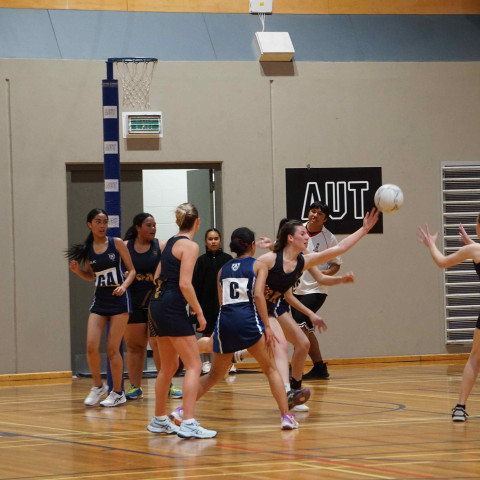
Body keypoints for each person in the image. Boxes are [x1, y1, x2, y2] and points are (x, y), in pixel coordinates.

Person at [170, 227, 299, 430]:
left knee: (213, 375)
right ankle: (286, 416)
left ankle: (180, 410)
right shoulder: (259, 266)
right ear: (253, 246)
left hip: (226, 322)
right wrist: (267, 326)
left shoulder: (223, 269)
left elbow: (223, 303)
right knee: (271, 369)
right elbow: (257, 296)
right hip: (248, 322)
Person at [255, 209, 379, 408]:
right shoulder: (268, 260)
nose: (307, 237)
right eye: (302, 234)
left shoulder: (304, 260)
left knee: (302, 344)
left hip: (275, 307)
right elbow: (245, 277)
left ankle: (294, 392)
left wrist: (364, 230)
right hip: (254, 307)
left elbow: (337, 250)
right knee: (232, 350)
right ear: (290, 238)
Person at [147, 203, 216, 439]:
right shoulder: (190, 246)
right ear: (197, 222)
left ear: (178, 222)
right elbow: (185, 284)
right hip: (172, 305)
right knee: (194, 365)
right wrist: (199, 311)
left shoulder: (168, 244)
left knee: (168, 367)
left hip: (156, 303)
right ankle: (188, 422)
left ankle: (159, 419)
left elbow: (157, 276)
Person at [66, 208, 136, 407]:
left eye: (105, 221)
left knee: (113, 349)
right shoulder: (88, 249)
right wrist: (77, 271)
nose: (102, 225)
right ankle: (98, 386)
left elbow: (131, 270)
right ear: (90, 224)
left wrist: (124, 286)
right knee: (91, 346)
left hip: (119, 299)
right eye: (98, 221)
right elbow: (91, 276)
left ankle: (117, 392)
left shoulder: (117, 243)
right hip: (100, 300)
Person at [418, 220, 480, 422]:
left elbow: (442, 262)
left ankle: (460, 407)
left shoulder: (474, 250)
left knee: (475, 358)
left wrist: (431, 244)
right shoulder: (473, 249)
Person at [123, 213, 182, 401]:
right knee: (134, 346)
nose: (153, 228)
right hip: (132, 303)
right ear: (138, 227)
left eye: (154, 225)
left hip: (155, 303)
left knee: (158, 345)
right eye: (149, 225)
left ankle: (167, 384)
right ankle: (134, 387)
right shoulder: (125, 247)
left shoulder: (161, 246)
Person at [292, 201, 342, 380]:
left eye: (319, 214)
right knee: (306, 328)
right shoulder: (296, 229)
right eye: (313, 211)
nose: (314, 215)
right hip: (296, 289)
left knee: (300, 325)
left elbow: (336, 264)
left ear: (325, 219)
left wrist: (325, 273)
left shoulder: (329, 238)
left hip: (316, 289)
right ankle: (319, 367)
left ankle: (294, 370)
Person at [191, 228, 232, 374]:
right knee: (207, 332)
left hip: (224, 302)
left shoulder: (228, 259)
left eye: (216, 238)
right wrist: (193, 305)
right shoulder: (200, 261)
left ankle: (229, 362)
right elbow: (195, 284)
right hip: (205, 301)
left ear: (220, 240)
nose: (213, 241)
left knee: (226, 332)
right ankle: (206, 362)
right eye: (210, 239)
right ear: (205, 242)